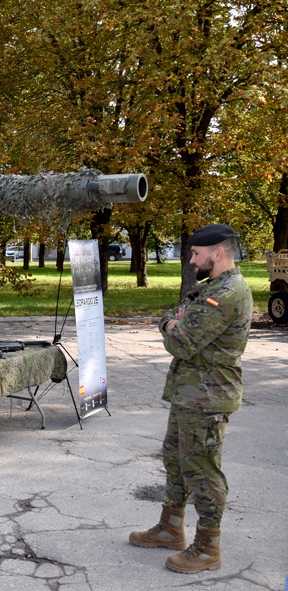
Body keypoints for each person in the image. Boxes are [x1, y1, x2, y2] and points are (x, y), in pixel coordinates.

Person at [129, 224, 252, 573]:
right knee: (175, 459)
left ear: (218, 253)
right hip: (190, 393)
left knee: (202, 471)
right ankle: (171, 528)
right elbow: (174, 316)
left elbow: (181, 341)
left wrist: (171, 326)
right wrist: (174, 322)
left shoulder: (227, 292)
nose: (192, 261)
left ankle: (208, 547)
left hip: (208, 398)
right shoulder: (210, 287)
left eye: (196, 254)